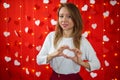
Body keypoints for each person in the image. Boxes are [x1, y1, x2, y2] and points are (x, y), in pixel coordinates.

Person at [36, 3, 100, 80]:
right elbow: (39, 60)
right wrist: (54, 54)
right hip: (55, 78)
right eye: (61, 16)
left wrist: (80, 62)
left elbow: (97, 64)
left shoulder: (82, 40)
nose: (64, 20)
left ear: (75, 18)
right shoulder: (51, 36)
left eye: (69, 16)